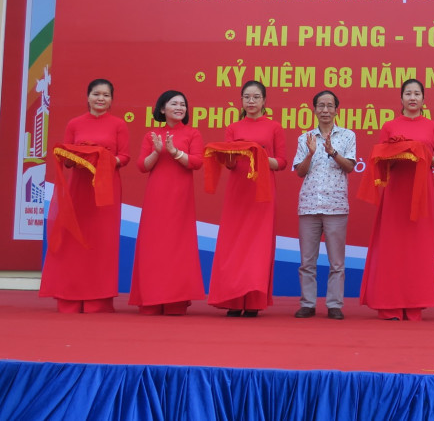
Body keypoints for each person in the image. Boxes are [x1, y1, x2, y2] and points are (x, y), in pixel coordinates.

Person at [359, 79, 434, 321]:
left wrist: (424, 155)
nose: (412, 98)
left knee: (417, 248)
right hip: (395, 192)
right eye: (408, 93)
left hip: (422, 193)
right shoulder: (390, 126)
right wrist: (397, 153)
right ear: (401, 99)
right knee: (392, 247)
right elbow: (380, 157)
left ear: (423, 99)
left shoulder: (433, 127)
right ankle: (389, 304)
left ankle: (414, 304)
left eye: (417, 93)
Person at [40, 78, 130, 313]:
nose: (101, 99)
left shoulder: (118, 125)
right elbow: (67, 158)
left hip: (106, 190)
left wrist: (103, 160)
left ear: (112, 100)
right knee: (74, 241)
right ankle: (69, 297)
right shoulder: (75, 123)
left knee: (102, 242)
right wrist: (75, 158)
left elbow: (125, 157)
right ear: (88, 96)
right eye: (96, 94)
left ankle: (98, 299)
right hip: (79, 188)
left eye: (106, 95)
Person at [206, 80, 287, 317]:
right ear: (241, 101)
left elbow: (281, 162)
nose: (251, 101)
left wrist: (258, 154)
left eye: (256, 97)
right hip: (238, 190)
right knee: (234, 245)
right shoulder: (233, 128)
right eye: (247, 97)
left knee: (257, 246)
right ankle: (232, 300)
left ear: (264, 101)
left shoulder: (274, 127)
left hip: (262, 192)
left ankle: (253, 301)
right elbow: (230, 164)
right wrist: (229, 158)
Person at [129, 90, 205, 315]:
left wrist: (174, 152)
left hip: (180, 198)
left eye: (183, 104)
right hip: (156, 197)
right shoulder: (152, 135)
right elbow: (142, 166)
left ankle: (175, 299)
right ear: (162, 109)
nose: (179, 107)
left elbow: (197, 162)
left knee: (177, 246)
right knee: (154, 246)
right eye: (174, 104)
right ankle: (152, 298)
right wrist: (157, 152)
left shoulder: (192, 133)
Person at [293, 90, 356, 320]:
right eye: (321, 105)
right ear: (314, 109)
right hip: (309, 205)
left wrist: (332, 152)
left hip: (336, 205)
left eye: (330, 106)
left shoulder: (347, 136)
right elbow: (300, 172)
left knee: (336, 262)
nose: (325, 110)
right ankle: (308, 304)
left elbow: (350, 167)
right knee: (307, 261)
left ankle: (334, 304)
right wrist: (310, 154)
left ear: (336, 110)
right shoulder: (305, 138)